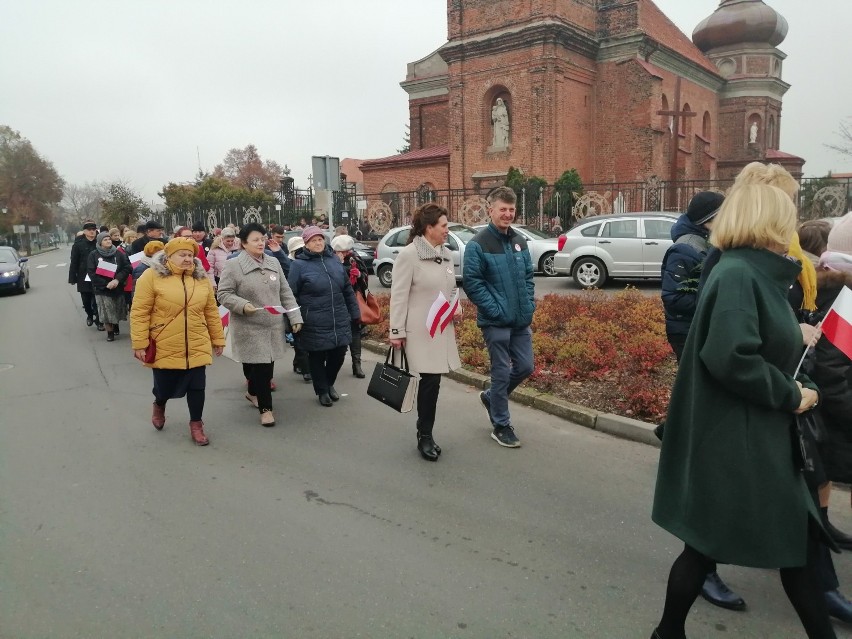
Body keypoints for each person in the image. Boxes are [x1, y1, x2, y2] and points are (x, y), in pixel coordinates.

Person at [651, 184, 835, 639]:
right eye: (786, 217)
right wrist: (792, 394)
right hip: (741, 440)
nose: (792, 226)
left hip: (749, 434)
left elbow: (768, 350)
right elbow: (732, 357)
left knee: (722, 547)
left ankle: (667, 634)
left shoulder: (752, 272)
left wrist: (800, 382)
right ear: (767, 222)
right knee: (782, 544)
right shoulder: (739, 275)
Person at [659, 191, 745, 610]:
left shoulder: (716, 246)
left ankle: (670, 425)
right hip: (686, 333)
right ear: (710, 219)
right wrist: (719, 302)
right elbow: (674, 298)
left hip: (706, 332)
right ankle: (702, 566)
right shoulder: (685, 249)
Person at [130, 237, 225, 446]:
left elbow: (211, 311)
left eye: (191, 255)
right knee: (164, 386)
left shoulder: (201, 279)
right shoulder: (151, 276)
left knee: (197, 386)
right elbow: (139, 312)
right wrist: (139, 342)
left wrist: (218, 339)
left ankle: (196, 424)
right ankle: (159, 404)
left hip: (196, 341)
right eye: (182, 254)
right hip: (165, 342)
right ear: (169, 256)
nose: (187, 259)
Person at [463, 186, 535, 448]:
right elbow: (472, 282)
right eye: (502, 209)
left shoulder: (519, 241)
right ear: (490, 209)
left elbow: (528, 277)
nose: (507, 214)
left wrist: (528, 304)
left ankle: (492, 397)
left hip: (519, 319)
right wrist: (494, 309)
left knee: (526, 366)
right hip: (495, 321)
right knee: (502, 371)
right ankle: (501, 425)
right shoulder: (478, 244)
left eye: (511, 209)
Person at [389, 203, 462, 461]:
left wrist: (456, 307)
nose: (447, 230)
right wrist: (396, 331)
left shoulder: (447, 254)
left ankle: (425, 431)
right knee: (427, 382)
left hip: (440, 328)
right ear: (429, 228)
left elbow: (451, 287)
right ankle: (425, 435)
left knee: (433, 383)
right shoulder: (409, 255)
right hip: (418, 331)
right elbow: (398, 296)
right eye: (443, 226)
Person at [217, 223, 303, 427]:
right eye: (255, 239)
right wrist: (242, 305)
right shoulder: (233, 265)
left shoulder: (273, 262)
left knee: (265, 368)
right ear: (244, 243)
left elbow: (285, 292)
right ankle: (266, 409)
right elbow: (223, 294)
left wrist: (295, 317)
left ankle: (253, 392)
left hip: (273, 326)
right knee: (260, 369)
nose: (260, 243)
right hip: (249, 326)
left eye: (262, 239)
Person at [287, 226, 360, 407]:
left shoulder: (334, 260)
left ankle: (329, 383)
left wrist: (355, 313)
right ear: (306, 244)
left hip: (339, 316)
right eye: (314, 240)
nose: (318, 243)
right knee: (317, 356)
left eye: (320, 239)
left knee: (339, 353)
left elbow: (347, 290)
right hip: (314, 320)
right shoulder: (298, 265)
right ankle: (322, 390)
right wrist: (294, 319)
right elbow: (290, 294)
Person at [331, 234, 369, 378]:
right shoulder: (330, 261)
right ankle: (333, 364)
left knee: (355, 332)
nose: (346, 254)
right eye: (341, 251)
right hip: (336, 302)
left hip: (353, 301)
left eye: (347, 251)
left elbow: (365, 281)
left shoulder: (356, 260)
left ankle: (357, 364)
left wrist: (359, 275)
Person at [86, 231, 131, 342]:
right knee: (106, 311)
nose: (108, 241)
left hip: (117, 287)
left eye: (109, 239)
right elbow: (92, 272)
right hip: (102, 289)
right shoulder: (94, 255)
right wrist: (105, 284)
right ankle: (109, 332)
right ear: (100, 242)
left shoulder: (118, 253)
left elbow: (127, 267)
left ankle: (115, 325)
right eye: (105, 240)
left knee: (116, 310)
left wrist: (117, 280)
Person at [69, 221, 102, 329]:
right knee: (86, 299)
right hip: (83, 275)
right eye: (89, 230)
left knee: (97, 298)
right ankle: (89, 314)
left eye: (94, 230)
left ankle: (98, 319)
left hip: (97, 274)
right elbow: (74, 261)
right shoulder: (78, 245)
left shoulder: (99, 243)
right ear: (85, 232)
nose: (92, 232)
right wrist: (72, 277)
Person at [287, 236, 311, 383]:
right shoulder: (288, 264)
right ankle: (306, 370)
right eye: (298, 250)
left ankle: (299, 363)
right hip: (293, 306)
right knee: (299, 338)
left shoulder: (309, 263)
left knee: (305, 338)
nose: (301, 252)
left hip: (308, 306)